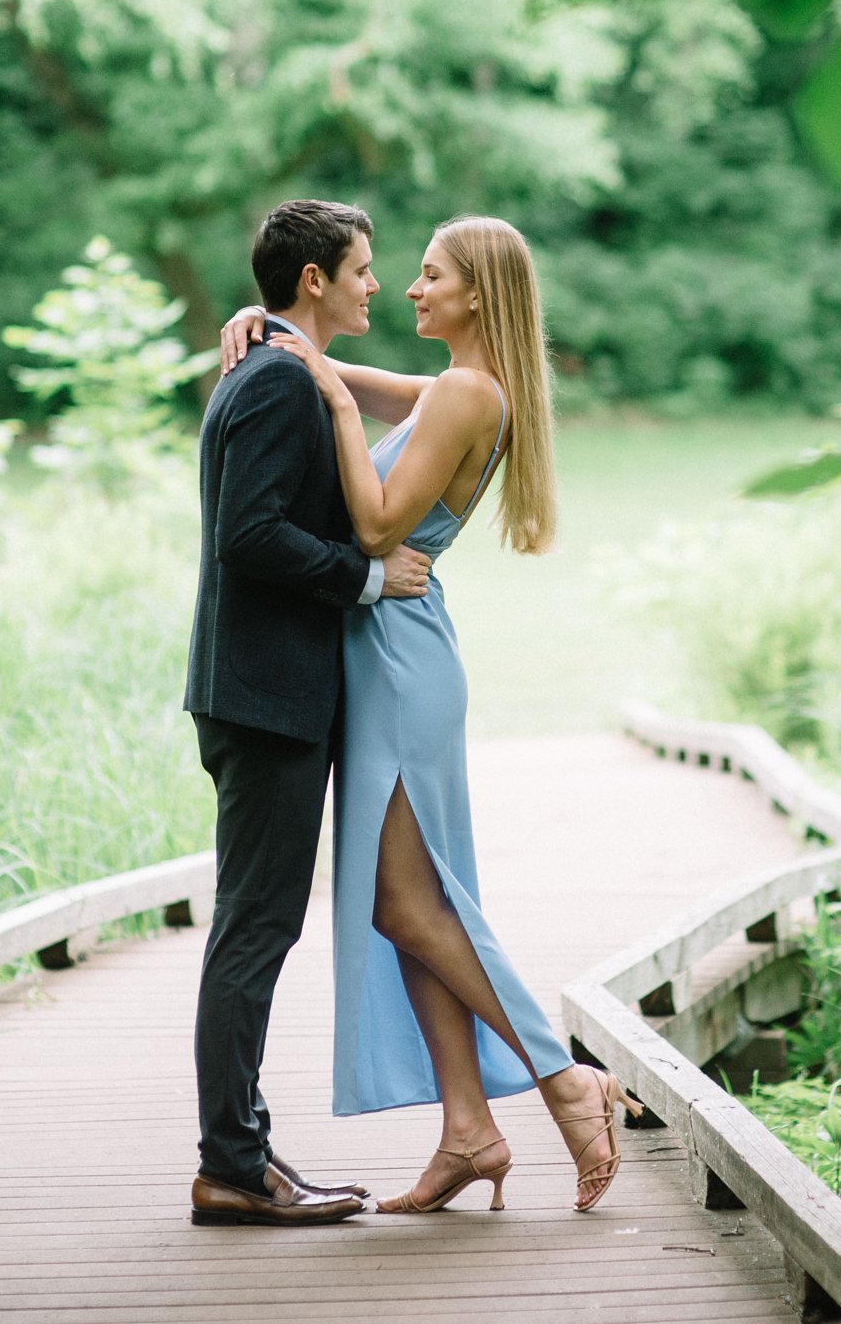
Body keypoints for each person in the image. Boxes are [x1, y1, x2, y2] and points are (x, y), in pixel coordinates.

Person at [218, 215, 642, 1215]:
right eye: (406, 274)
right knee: (411, 895)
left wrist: (321, 393)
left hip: (400, 658)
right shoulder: (462, 389)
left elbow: (372, 524)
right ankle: (467, 1129)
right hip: (397, 653)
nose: (411, 287)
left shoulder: (465, 393)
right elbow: (365, 384)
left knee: (408, 900)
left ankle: (562, 1080)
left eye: (431, 274)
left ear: (480, 295)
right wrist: (277, 330)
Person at [181, 199, 435, 1227]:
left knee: (259, 925)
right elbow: (250, 535)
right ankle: (232, 1166)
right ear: (315, 279)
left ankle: (246, 1150)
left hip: (262, 693)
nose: (377, 283)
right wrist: (367, 576)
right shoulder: (282, 379)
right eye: (363, 269)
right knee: (254, 928)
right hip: (268, 698)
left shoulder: (281, 363)